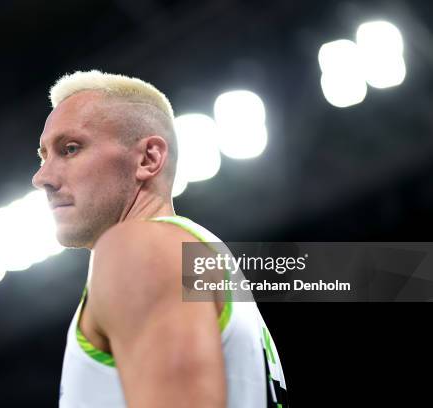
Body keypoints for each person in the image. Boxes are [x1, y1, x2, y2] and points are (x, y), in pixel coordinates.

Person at [32, 70, 288, 407]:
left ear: (148, 158)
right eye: (43, 155)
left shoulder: (140, 249)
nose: (42, 177)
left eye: (70, 149)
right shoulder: (192, 254)